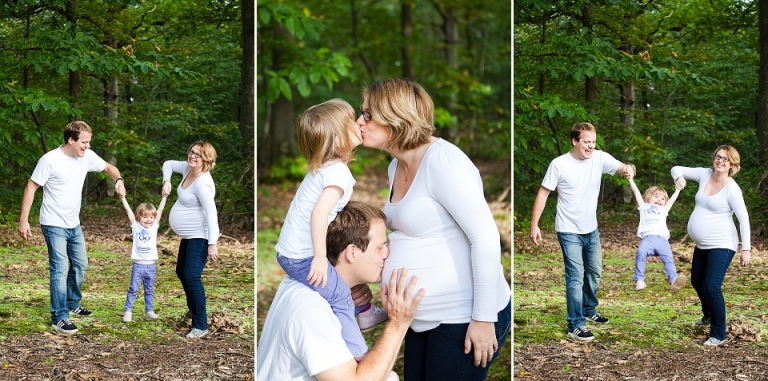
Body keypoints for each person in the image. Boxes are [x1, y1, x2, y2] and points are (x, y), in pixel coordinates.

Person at [358, 78, 511, 379]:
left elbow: (485, 237)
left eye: (367, 114)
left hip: (462, 318)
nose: (358, 122)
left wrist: (483, 318)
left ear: (394, 117)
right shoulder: (396, 166)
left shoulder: (442, 161)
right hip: (420, 318)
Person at [257, 201, 425, 381]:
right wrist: (398, 323)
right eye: (379, 247)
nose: (387, 253)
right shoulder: (311, 308)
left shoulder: (309, 284)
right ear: (352, 252)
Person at [275, 99, 388, 360]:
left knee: (342, 283)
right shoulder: (337, 173)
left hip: (293, 250)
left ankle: (365, 311)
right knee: (339, 295)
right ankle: (359, 354)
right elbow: (319, 214)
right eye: (352, 121)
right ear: (337, 140)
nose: (360, 122)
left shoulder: (328, 169)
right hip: (300, 255)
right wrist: (318, 259)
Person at [18, 120, 126, 335]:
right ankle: (59, 316)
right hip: (53, 222)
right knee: (60, 268)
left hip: (73, 222)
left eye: (88, 142)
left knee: (80, 264)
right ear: (70, 140)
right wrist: (23, 220)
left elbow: (108, 167)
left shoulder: (86, 156)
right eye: (84, 142)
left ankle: (71, 302)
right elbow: (31, 186)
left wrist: (118, 179)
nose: (87, 146)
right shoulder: (50, 160)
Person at [529, 122, 633, 342]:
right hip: (568, 230)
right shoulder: (559, 164)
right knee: (575, 277)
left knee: (594, 272)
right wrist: (534, 224)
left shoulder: (599, 158)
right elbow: (543, 193)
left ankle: (588, 309)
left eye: (593, 142)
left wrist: (628, 169)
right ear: (575, 141)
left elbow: (622, 166)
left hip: (590, 228)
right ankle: (575, 323)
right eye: (587, 142)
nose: (591, 146)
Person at [671, 144, 751, 347]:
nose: (720, 161)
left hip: (723, 243)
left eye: (725, 159)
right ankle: (708, 315)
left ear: (732, 164)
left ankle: (718, 333)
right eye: (718, 156)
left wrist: (746, 249)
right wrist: (678, 178)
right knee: (697, 282)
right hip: (702, 244)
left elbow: (743, 219)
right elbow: (676, 168)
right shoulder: (705, 174)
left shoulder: (732, 188)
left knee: (712, 286)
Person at [162, 141, 219, 339]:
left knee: (191, 276)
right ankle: (194, 310)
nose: (192, 156)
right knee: (181, 272)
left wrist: (212, 243)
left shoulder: (203, 184)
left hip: (200, 236)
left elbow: (212, 214)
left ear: (206, 160)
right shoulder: (188, 168)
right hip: (189, 235)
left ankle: (200, 325)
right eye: (191, 152)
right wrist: (167, 181)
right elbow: (168, 163)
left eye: (198, 155)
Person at [627, 171, 687, 292]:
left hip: (662, 240)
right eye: (656, 196)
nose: (659, 199)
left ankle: (673, 280)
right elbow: (636, 192)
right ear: (647, 198)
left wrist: (678, 190)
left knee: (668, 258)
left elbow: (672, 200)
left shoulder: (664, 209)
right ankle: (639, 280)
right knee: (640, 253)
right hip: (647, 239)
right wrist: (630, 179)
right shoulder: (644, 207)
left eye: (663, 198)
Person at [119, 193, 167, 322]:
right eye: (145, 217)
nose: (148, 219)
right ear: (138, 217)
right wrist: (123, 197)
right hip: (138, 265)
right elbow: (128, 210)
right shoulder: (136, 226)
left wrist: (164, 197)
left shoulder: (154, 227)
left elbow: (160, 210)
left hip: (151, 265)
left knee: (149, 289)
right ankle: (128, 311)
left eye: (151, 217)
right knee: (133, 288)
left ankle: (149, 310)